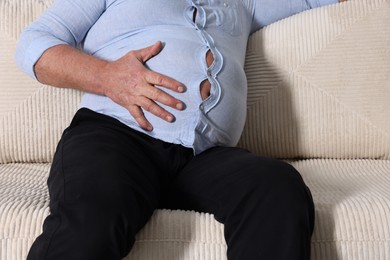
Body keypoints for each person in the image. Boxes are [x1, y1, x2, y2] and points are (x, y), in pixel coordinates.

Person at [15, 0, 344, 259]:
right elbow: (34, 44)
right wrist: (106, 76)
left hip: (206, 158)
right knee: (96, 213)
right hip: (117, 137)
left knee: (276, 185)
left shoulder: (244, 3)